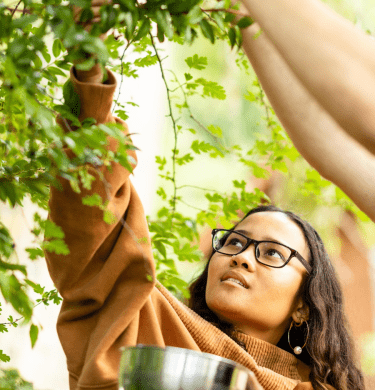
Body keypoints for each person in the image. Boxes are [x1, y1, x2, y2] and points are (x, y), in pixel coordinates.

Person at [45, 1, 370, 390]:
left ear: (303, 305)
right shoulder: (147, 325)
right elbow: (96, 231)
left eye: (271, 253)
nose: (242, 259)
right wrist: (91, 72)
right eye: (233, 243)